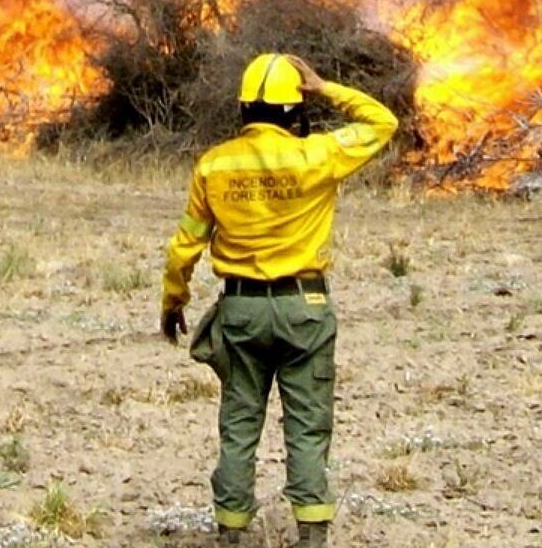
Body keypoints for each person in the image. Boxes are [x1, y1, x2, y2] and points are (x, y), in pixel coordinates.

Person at [160, 53, 399, 547]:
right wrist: (326, 88)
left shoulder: (215, 164)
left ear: (244, 107)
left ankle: (231, 531)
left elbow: (186, 244)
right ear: (295, 110)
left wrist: (173, 298)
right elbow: (383, 122)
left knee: (238, 424)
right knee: (308, 427)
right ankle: (311, 534)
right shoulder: (318, 155)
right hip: (304, 309)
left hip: (240, 311)